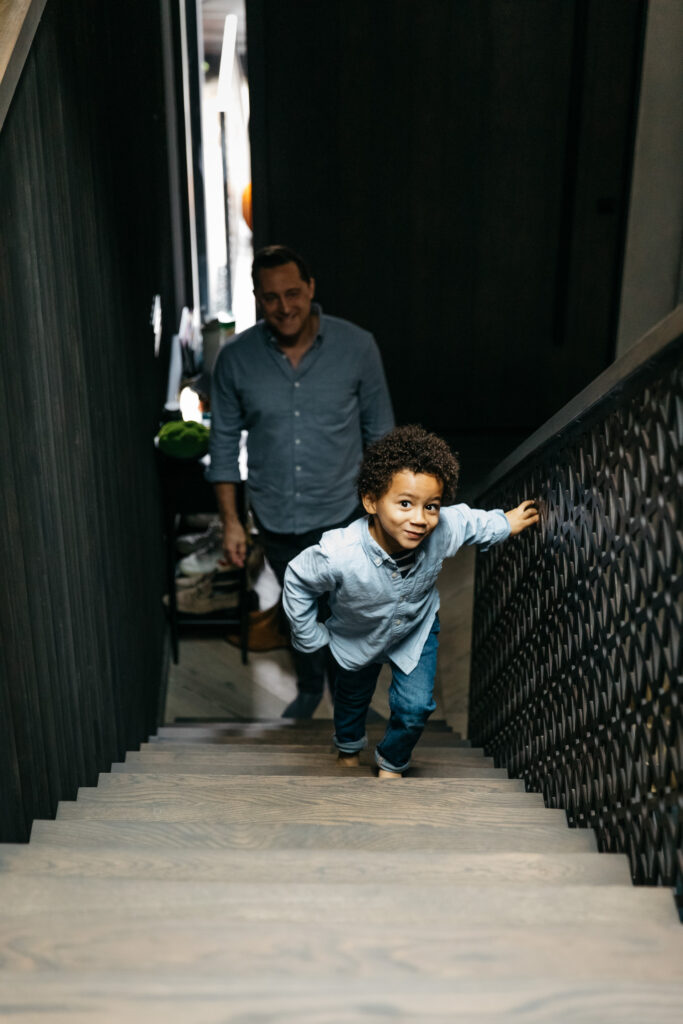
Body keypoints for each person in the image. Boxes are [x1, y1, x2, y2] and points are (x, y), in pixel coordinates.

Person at [282, 425, 539, 775]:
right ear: (371, 500)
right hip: (357, 635)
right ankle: (348, 746)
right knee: (351, 700)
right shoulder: (338, 553)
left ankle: (391, 762)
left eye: (431, 506)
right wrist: (308, 635)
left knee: (416, 707)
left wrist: (504, 523)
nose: (420, 519)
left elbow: (469, 522)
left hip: (415, 631)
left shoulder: (442, 528)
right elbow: (297, 579)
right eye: (405, 504)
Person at [207, 245, 394, 717]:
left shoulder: (358, 347)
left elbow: (381, 436)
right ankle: (309, 689)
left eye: (293, 293)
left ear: (311, 289)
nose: (284, 307)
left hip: (343, 513)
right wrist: (231, 522)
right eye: (271, 298)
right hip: (275, 520)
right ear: (256, 298)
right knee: (301, 614)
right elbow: (224, 446)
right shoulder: (235, 360)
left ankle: (350, 701)